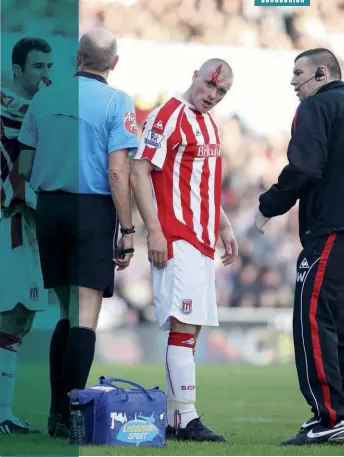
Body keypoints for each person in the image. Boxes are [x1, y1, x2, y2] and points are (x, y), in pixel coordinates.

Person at [18, 28, 138, 438]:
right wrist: (127, 228)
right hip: (91, 209)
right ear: (114, 64)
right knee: (86, 318)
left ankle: (55, 414)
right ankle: (74, 415)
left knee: (66, 314)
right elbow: (119, 170)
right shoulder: (117, 100)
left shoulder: (45, 97)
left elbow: (25, 164)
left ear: (78, 59)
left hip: (49, 208)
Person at [130, 59, 238, 442]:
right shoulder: (169, 114)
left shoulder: (208, 122)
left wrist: (223, 225)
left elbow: (202, 183)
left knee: (189, 331)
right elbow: (139, 169)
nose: (213, 95)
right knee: (183, 326)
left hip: (203, 241)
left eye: (221, 91)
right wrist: (154, 232)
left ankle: (178, 420)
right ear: (195, 76)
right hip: (178, 238)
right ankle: (185, 419)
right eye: (210, 85)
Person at [254, 48, 344, 445]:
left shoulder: (316, 107)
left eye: (299, 73)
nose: (293, 81)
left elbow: (305, 167)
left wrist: (269, 205)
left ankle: (329, 418)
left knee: (312, 318)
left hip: (331, 231)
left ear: (322, 73)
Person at [0, 37, 53, 434]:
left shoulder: (46, 109)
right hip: (11, 220)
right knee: (12, 312)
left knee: (20, 317)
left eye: (49, 67)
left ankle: (4, 413)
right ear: (17, 70)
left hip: (32, 221)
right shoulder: (10, 107)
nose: (46, 75)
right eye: (38, 67)